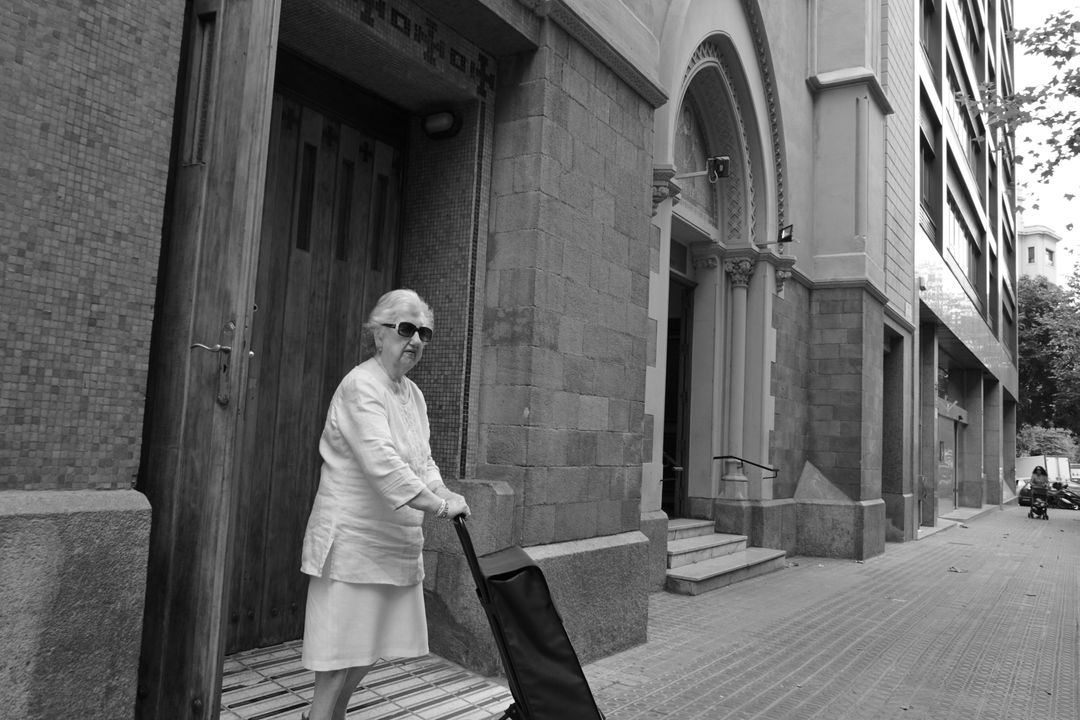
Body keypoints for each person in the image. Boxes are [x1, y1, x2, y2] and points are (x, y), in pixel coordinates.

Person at [299, 288, 470, 720]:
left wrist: (445, 492)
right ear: (379, 335)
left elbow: (421, 459)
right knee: (337, 660)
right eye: (405, 328)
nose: (415, 340)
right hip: (354, 541)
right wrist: (437, 506)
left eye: (424, 332)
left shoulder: (412, 394)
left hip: (393, 541)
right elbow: (384, 465)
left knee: (367, 650)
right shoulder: (361, 385)